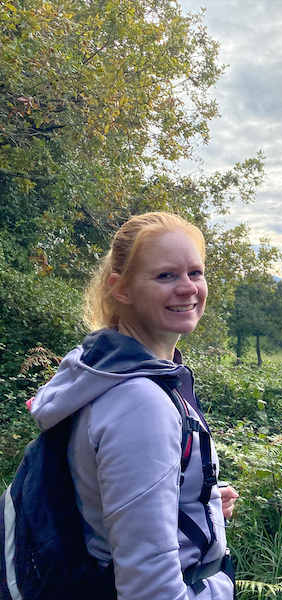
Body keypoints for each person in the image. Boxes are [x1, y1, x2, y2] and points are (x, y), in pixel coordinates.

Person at [29, 212, 239, 599]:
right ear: (120, 289)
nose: (188, 288)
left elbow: (106, 494)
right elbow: (149, 587)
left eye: (196, 272)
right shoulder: (140, 402)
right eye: (165, 276)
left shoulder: (101, 366)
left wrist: (198, 498)